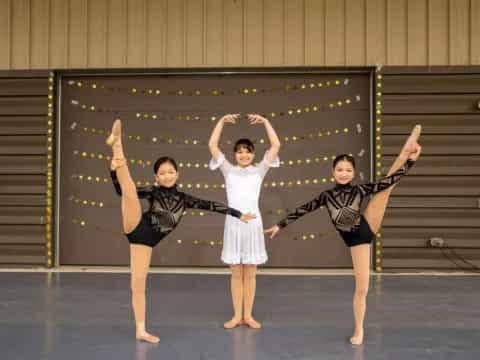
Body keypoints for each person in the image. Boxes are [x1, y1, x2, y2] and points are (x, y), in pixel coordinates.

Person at [265, 125, 422, 345]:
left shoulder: (359, 190)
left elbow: (388, 181)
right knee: (362, 288)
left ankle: (406, 152)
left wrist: (411, 162)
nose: (344, 173)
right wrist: (279, 225)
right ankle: (359, 328)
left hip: (364, 230)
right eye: (340, 169)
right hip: (355, 239)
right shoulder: (326, 195)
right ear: (333, 172)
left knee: (387, 187)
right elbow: (303, 210)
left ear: (353, 173)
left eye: (348, 170)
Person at [106, 119, 256, 343]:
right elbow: (122, 191)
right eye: (162, 173)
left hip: (144, 242)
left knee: (137, 284)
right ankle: (117, 147)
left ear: (177, 173)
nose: (167, 176)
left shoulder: (184, 199)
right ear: (156, 177)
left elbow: (211, 205)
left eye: (170, 172)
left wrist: (237, 214)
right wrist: (113, 172)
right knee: (128, 190)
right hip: (136, 223)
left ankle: (141, 330)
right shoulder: (153, 192)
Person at [208, 114, 281, 329]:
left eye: (247, 151)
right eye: (239, 151)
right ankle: (236, 315)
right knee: (236, 274)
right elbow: (212, 144)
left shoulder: (259, 170)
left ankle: (248, 316)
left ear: (253, 154)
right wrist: (220, 122)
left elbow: (276, 144)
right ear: (234, 155)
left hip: (253, 227)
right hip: (233, 226)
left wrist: (266, 122)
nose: (244, 154)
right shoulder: (227, 170)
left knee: (250, 274)